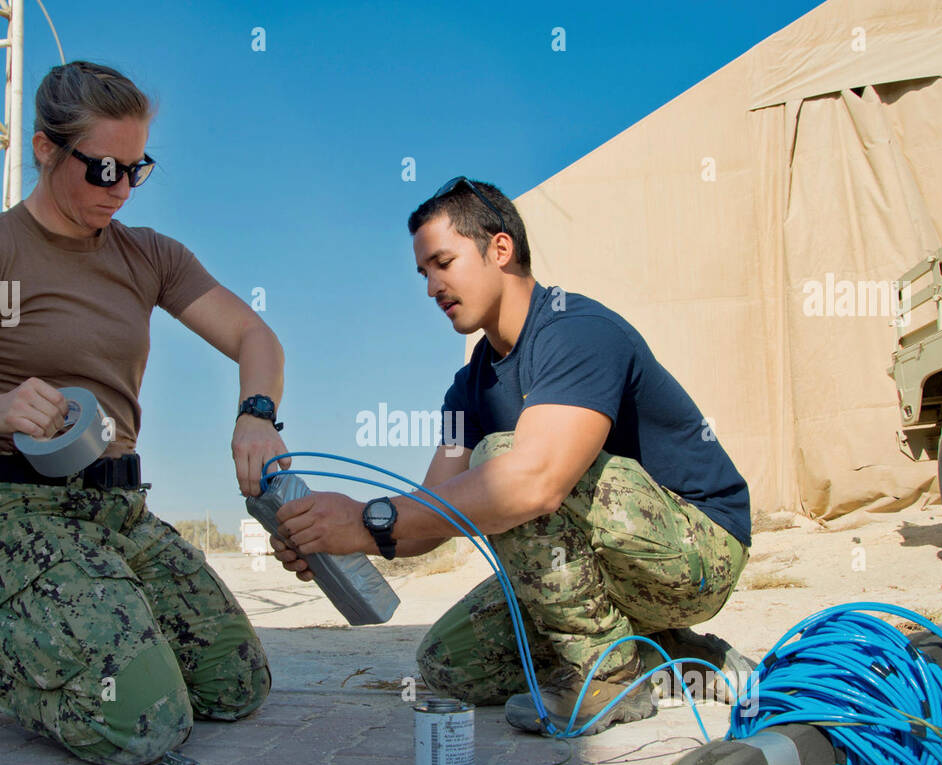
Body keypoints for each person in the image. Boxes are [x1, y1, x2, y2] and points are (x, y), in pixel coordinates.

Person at [0, 61, 286, 765]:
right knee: (142, 727)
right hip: (25, 512)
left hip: (120, 513)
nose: (119, 189)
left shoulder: (150, 255)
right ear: (44, 149)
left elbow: (253, 335)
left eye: (136, 169)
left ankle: (74, 634)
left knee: (237, 687)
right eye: (102, 169)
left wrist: (258, 413)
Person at [269, 178, 752, 734]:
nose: (431, 287)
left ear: (500, 249)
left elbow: (535, 482)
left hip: (697, 552)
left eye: (443, 263)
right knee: (448, 666)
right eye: (423, 273)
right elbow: (430, 517)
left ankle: (608, 673)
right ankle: (677, 661)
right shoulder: (465, 389)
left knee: (504, 458)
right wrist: (341, 536)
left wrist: (368, 518)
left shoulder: (578, 329)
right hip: (602, 566)